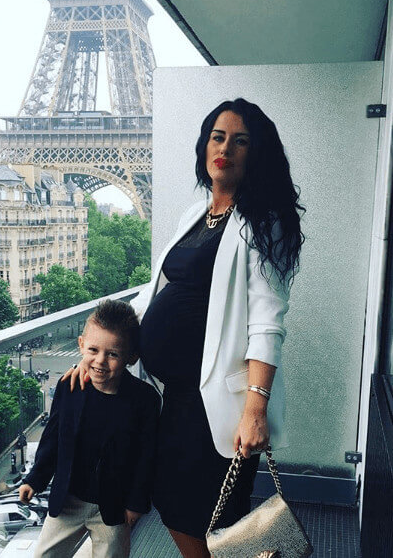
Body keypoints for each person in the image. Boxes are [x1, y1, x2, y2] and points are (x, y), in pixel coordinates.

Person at [65, 98, 305, 558]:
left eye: (240, 141)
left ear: (257, 154)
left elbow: (267, 321)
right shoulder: (195, 215)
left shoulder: (262, 222)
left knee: (212, 518)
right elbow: (150, 296)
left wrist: (256, 408)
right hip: (177, 397)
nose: (225, 148)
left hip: (219, 402)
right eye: (218, 137)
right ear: (204, 146)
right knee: (175, 505)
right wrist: (95, 351)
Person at [19, 299, 161, 558]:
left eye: (113, 354)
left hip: (114, 504)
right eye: (93, 350)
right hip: (68, 500)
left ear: (131, 357)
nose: (100, 361)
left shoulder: (145, 400)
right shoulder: (69, 386)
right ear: (81, 345)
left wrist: (136, 503)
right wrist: (35, 479)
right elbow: (53, 438)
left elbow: (146, 457)